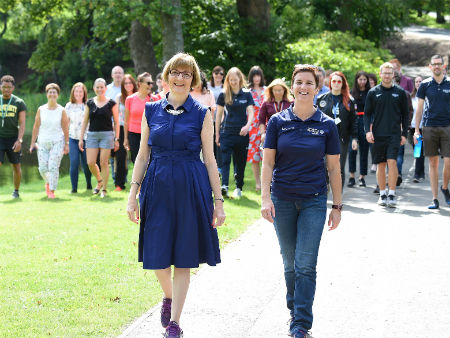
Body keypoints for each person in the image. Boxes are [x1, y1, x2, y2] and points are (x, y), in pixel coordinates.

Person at [126, 52, 225, 338]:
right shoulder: (151, 110)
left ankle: (175, 323)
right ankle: (168, 296)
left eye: (186, 74)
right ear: (167, 76)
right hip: (156, 187)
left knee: (183, 256)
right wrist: (132, 194)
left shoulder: (202, 114)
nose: (180, 78)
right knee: (157, 257)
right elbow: (143, 155)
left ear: (193, 80)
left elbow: (210, 159)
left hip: (191, 187)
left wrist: (218, 202)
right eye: (175, 72)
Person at [261, 64, 342, 338]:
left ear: (317, 89)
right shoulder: (277, 122)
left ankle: (300, 324)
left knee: (306, 264)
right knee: (290, 263)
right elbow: (268, 162)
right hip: (282, 199)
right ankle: (294, 310)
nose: (304, 87)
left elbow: (333, 168)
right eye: (299, 82)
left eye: (309, 83)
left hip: (314, 202)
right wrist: (264, 198)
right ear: (292, 87)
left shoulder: (327, 125)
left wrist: (337, 206)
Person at [364, 62, 409, 208]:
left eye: (390, 73)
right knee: (381, 164)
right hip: (378, 134)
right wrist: (368, 131)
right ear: (380, 74)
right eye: (385, 73)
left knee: (392, 162)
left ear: (394, 74)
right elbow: (367, 114)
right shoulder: (373, 92)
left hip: (394, 134)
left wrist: (404, 134)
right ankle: (382, 193)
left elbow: (405, 115)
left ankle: (392, 194)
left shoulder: (400, 92)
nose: (388, 75)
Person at [414, 54, 450, 209]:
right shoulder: (425, 85)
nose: (436, 66)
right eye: (434, 64)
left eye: (439, 64)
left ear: (443, 66)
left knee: (448, 162)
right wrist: (416, 130)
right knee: (433, 163)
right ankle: (434, 198)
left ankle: (444, 188)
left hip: (448, 126)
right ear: (430, 66)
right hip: (429, 126)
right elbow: (419, 109)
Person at [215, 67, 255, 199]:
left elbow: (251, 113)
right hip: (226, 132)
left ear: (240, 79)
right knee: (225, 161)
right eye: (230, 80)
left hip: (242, 134)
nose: (233, 82)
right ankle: (224, 186)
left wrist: (247, 126)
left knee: (240, 161)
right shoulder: (223, 95)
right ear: (228, 80)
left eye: (235, 79)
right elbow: (218, 116)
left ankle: (239, 187)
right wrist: (217, 134)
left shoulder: (247, 94)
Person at [79, 78, 120, 198]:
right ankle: (99, 181)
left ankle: (105, 190)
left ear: (105, 88)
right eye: (97, 87)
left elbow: (117, 122)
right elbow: (85, 121)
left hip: (107, 135)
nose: (100, 89)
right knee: (90, 162)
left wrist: (116, 139)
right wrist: (81, 138)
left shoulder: (112, 103)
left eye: (102, 87)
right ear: (94, 88)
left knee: (103, 162)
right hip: (92, 135)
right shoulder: (89, 103)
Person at [317, 71, 358, 188]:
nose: (336, 84)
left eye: (339, 81)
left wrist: (355, 138)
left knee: (339, 166)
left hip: (342, 138)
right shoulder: (322, 99)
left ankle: (338, 196)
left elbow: (354, 121)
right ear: (330, 82)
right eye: (334, 81)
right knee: (324, 165)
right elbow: (317, 119)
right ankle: (325, 189)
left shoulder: (349, 100)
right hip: (324, 138)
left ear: (343, 84)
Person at [29, 83, 69, 199]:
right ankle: (48, 182)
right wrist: (32, 142)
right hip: (42, 142)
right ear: (47, 94)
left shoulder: (61, 110)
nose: (52, 94)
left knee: (53, 166)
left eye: (54, 92)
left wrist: (66, 144)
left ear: (57, 95)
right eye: (50, 92)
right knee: (42, 168)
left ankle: (51, 190)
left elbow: (65, 128)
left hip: (57, 142)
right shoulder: (41, 109)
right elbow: (36, 127)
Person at [0, 75, 26, 198]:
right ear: (0, 87)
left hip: (13, 139)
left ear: (13, 88)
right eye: (4, 87)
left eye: (9, 87)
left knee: (16, 165)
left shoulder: (19, 102)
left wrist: (19, 140)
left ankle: (16, 191)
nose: (6, 90)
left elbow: (22, 123)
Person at [65, 82, 92, 193]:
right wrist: (65, 140)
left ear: (84, 93)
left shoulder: (89, 105)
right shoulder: (68, 106)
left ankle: (89, 184)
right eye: (76, 91)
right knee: (74, 162)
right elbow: (65, 123)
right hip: (72, 138)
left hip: (86, 138)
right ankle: (74, 188)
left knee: (86, 163)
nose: (78, 93)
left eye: (81, 91)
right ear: (73, 93)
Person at [124, 72, 155, 163]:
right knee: (137, 161)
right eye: (148, 83)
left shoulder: (155, 99)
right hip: (134, 135)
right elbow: (126, 121)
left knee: (150, 162)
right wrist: (126, 138)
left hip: (150, 134)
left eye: (151, 83)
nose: (151, 85)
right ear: (140, 84)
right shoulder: (130, 99)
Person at [114, 74, 138, 190]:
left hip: (135, 128)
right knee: (121, 156)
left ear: (133, 84)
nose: (128, 85)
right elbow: (116, 115)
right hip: (122, 128)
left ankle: (139, 182)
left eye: (130, 83)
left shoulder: (138, 97)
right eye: (125, 83)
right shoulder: (119, 97)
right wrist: (116, 134)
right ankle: (119, 183)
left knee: (136, 156)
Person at [348, 71, 371, 187]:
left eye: (364, 79)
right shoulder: (351, 93)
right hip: (354, 122)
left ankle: (362, 176)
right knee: (352, 151)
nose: (362, 82)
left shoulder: (370, 93)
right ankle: (352, 176)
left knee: (364, 151)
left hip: (365, 122)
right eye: (360, 79)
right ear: (356, 80)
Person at [393, 70, 414, 187]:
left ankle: (397, 174)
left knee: (398, 153)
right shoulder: (404, 93)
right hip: (392, 128)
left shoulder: (403, 94)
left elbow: (408, 112)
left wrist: (406, 126)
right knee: (396, 154)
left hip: (399, 127)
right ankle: (395, 174)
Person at [247, 65, 265, 191]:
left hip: (266, 125)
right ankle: (258, 182)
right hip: (252, 126)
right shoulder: (247, 92)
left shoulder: (267, 90)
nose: (256, 78)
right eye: (254, 75)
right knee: (254, 156)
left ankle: (266, 182)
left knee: (266, 154)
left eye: (258, 75)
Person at [258, 78, 292, 145]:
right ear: (271, 90)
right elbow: (261, 120)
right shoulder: (266, 103)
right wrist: (262, 134)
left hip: (287, 134)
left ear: (284, 90)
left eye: (279, 90)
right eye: (275, 90)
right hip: (271, 134)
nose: (277, 92)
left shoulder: (291, 102)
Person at [106, 66, 124, 184]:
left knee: (123, 152)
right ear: (112, 75)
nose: (118, 75)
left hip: (125, 124)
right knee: (113, 152)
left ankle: (123, 176)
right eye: (115, 73)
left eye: (120, 73)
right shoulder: (107, 89)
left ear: (123, 74)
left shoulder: (126, 88)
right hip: (111, 124)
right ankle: (114, 176)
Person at [410, 76, 425, 183]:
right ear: (414, 84)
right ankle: (421, 172)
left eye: (420, 81)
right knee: (417, 149)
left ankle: (417, 173)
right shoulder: (411, 97)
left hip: (424, 127)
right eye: (417, 82)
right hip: (413, 126)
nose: (418, 83)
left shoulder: (427, 96)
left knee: (419, 149)